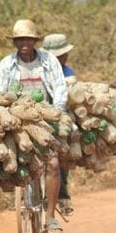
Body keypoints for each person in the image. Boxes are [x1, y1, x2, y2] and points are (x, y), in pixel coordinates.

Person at [0, 19, 68, 233]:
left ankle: (51, 217)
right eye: (19, 39)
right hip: (16, 118)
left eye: (28, 39)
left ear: (35, 40)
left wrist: (56, 112)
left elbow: (60, 89)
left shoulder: (48, 61)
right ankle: (23, 195)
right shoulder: (6, 64)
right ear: (15, 42)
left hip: (44, 117)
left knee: (52, 162)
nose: (24, 43)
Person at [43, 33, 76, 216]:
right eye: (59, 55)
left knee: (62, 148)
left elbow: (68, 93)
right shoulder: (41, 67)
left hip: (59, 113)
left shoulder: (67, 72)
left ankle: (62, 193)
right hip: (35, 113)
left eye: (64, 54)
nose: (64, 58)